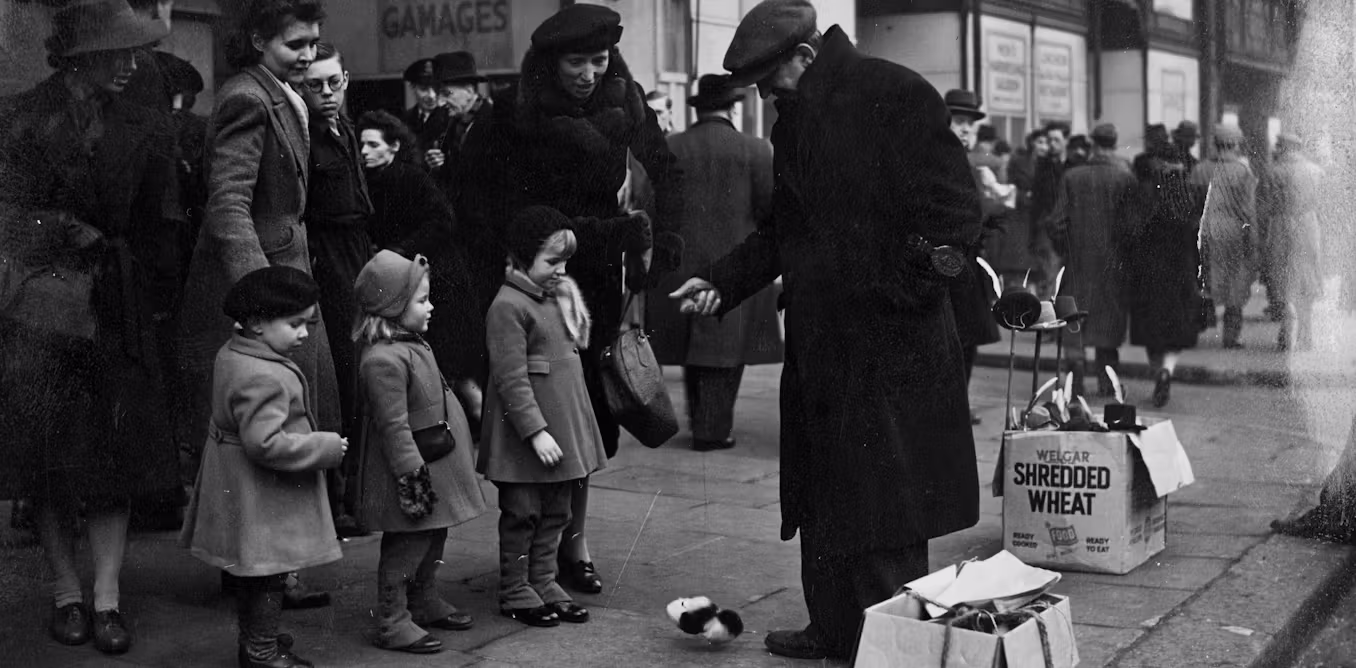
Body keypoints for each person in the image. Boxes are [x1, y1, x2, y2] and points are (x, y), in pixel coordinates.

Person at [668, 0, 981, 659]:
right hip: (822, 345)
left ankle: (891, 643)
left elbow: (954, 217)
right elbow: (785, 228)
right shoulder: (797, 121)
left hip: (889, 344)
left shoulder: (895, 93)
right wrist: (723, 280)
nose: (765, 94)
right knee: (827, 489)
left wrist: (898, 294)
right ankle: (834, 627)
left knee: (886, 503)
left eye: (769, 80)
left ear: (805, 57)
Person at [458, 2, 684, 595]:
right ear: (549, 62)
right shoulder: (510, 114)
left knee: (588, 415)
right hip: (534, 284)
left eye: (599, 59)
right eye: (576, 61)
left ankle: (573, 543)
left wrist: (671, 237)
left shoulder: (626, 99)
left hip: (599, 285)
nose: (588, 72)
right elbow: (478, 206)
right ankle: (533, 548)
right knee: (539, 408)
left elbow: (668, 168)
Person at [0, 1, 180, 655]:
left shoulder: (144, 119)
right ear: (79, 58)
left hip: (119, 305)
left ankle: (106, 599)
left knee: (116, 459)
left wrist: (155, 301)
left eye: (136, 53)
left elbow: (165, 225)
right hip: (41, 311)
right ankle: (64, 594)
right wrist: (63, 232)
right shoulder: (19, 118)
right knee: (48, 461)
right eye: (118, 54)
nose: (133, 65)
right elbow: (8, 210)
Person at [174, 0, 340, 610]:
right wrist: (263, 298)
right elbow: (228, 206)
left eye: (314, 43)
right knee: (275, 426)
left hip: (285, 273)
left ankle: (271, 568)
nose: (308, 54)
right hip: (270, 283)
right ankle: (266, 572)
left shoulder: (277, 91)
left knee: (289, 420)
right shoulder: (249, 97)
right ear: (257, 40)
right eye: (296, 43)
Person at [180, 266, 347, 668]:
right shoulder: (264, 375)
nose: (304, 334)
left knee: (252, 572)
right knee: (270, 574)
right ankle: (261, 651)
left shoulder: (233, 352)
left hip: (238, 481)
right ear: (256, 323)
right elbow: (266, 443)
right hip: (260, 490)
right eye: (294, 324)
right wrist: (324, 447)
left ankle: (257, 639)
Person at [351, 250, 487, 653]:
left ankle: (423, 597)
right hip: (411, 472)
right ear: (393, 306)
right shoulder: (383, 361)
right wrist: (412, 477)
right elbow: (393, 427)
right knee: (407, 544)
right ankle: (392, 620)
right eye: (421, 300)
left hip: (434, 465)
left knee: (433, 535)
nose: (431, 307)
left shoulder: (411, 344)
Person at [480, 206, 604, 628]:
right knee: (521, 513)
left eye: (565, 261)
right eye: (552, 261)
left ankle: (544, 580)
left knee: (557, 512)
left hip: (562, 429)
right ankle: (516, 587)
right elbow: (510, 379)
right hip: (525, 438)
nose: (561, 270)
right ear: (520, 256)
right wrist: (534, 432)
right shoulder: (508, 306)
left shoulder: (554, 297)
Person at [647, 74, 783, 451]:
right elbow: (769, 212)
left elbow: (651, 207)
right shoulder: (756, 150)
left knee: (693, 348)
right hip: (733, 266)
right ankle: (713, 429)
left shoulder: (671, 147)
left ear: (698, 108)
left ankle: (702, 423)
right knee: (726, 352)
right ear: (732, 107)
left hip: (680, 264)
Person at [357, 110, 487, 419]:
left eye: (374, 145)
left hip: (440, 281)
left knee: (457, 373)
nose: (365, 152)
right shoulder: (372, 183)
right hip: (413, 280)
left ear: (395, 146)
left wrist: (399, 251)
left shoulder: (412, 178)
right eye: (362, 145)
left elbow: (442, 221)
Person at [299, 41, 374, 535]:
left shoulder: (344, 128)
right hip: (326, 260)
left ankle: (354, 491)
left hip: (356, 252)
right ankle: (337, 499)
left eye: (335, 82)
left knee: (364, 372)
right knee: (340, 377)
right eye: (315, 85)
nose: (327, 93)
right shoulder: (303, 134)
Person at [1046, 124, 1138, 397]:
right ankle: (1107, 380)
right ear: (1114, 144)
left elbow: (1056, 222)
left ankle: (1073, 382)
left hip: (1077, 262)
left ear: (1092, 145)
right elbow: (1132, 229)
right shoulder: (1126, 179)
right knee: (1108, 321)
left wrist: (1067, 248)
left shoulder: (1072, 176)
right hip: (1112, 263)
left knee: (1074, 318)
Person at [1127, 125, 1207, 407]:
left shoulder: (1143, 191)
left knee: (1151, 329)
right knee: (1175, 331)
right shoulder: (1191, 194)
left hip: (1148, 270)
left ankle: (1156, 371)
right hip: (1181, 269)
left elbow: (1130, 231)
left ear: (1158, 161)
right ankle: (1166, 372)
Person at [945, 89, 1004, 424]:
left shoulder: (968, 163)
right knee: (954, 340)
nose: (966, 129)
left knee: (966, 340)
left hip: (967, 264)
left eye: (971, 124)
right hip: (947, 263)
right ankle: (949, 406)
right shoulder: (939, 159)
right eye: (959, 121)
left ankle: (956, 404)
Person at [1191, 124, 1258, 349]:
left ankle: (1201, 323)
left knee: (1206, 279)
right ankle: (1230, 336)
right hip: (1234, 232)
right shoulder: (1242, 171)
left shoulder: (1201, 169)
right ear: (1235, 143)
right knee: (1235, 284)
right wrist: (1253, 237)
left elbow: (1193, 204)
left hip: (1206, 231)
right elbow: (1248, 209)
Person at [1258, 132, 1325, 352]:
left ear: (1282, 148)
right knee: (1307, 278)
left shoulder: (1272, 172)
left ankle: (1286, 334)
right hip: (1308, 224)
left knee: (1283, 278)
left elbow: (1263, 205)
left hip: (1280, 226)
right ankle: (1307, 335)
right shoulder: (1315, 171)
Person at [400, 56, 450, 169]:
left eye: (436, 88)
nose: (431, 95)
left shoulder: (451, 117)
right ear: (413, 87)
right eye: (424, 89)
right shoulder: (404, 119)